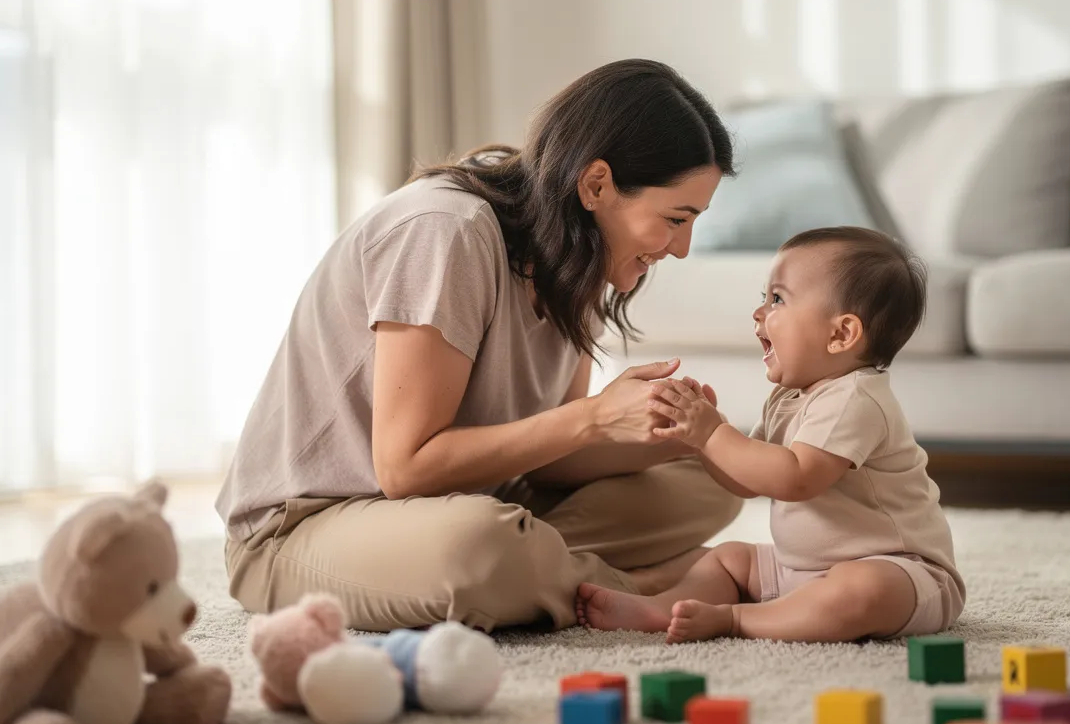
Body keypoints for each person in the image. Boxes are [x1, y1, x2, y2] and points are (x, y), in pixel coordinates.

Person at [217, 59, 739, 632]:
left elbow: (548, 461)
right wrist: (592, 418)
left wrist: (671, 437)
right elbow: (406, 469)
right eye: (674, 218)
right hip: (307, 526)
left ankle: (550, 569)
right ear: (596, 185)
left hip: (468, 500)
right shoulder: (445, 230)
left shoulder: (577, 258)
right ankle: (643, 585)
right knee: (483, 548)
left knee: (715, 472)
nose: (682, 248)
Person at [575, 226, 966, 643]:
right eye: (763, 299)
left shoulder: (856, 398)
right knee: (728, 561)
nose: (759, 313)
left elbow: (795, 478)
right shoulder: (788, 396)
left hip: (902, 573)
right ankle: (661, 607)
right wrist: (700, 438)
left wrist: (714, 434)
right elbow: (746, 480)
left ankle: (736, 620)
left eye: (777, 299)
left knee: (862, 590)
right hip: (800, 570)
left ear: (841, 334)